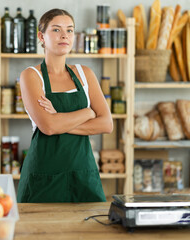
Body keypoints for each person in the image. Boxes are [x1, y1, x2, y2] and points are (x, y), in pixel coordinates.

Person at [17, 9, 113, 203]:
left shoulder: (85, 74)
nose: (64, 35)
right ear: (41, 36)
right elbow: (49, 127)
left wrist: (60, 120)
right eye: (56, 29)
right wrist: (87, 112)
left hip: (83, 172)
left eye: (69, 30)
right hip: (43, 174)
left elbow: (106, 125)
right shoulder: (30, 76)